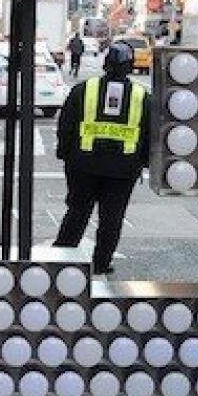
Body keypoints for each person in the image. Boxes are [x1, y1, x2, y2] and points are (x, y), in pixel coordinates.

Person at [53, 42, 152, 275]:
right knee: (112, 218)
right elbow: (150, 135)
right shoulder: (142, 97)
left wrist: (65, 153)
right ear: (130, 66)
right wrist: (143, 162)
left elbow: (66, 125)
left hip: (83, 165)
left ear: (105, 64)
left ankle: (62, 259)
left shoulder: (83, 90)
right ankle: (100, 264)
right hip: (123, 170)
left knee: (77, 212)